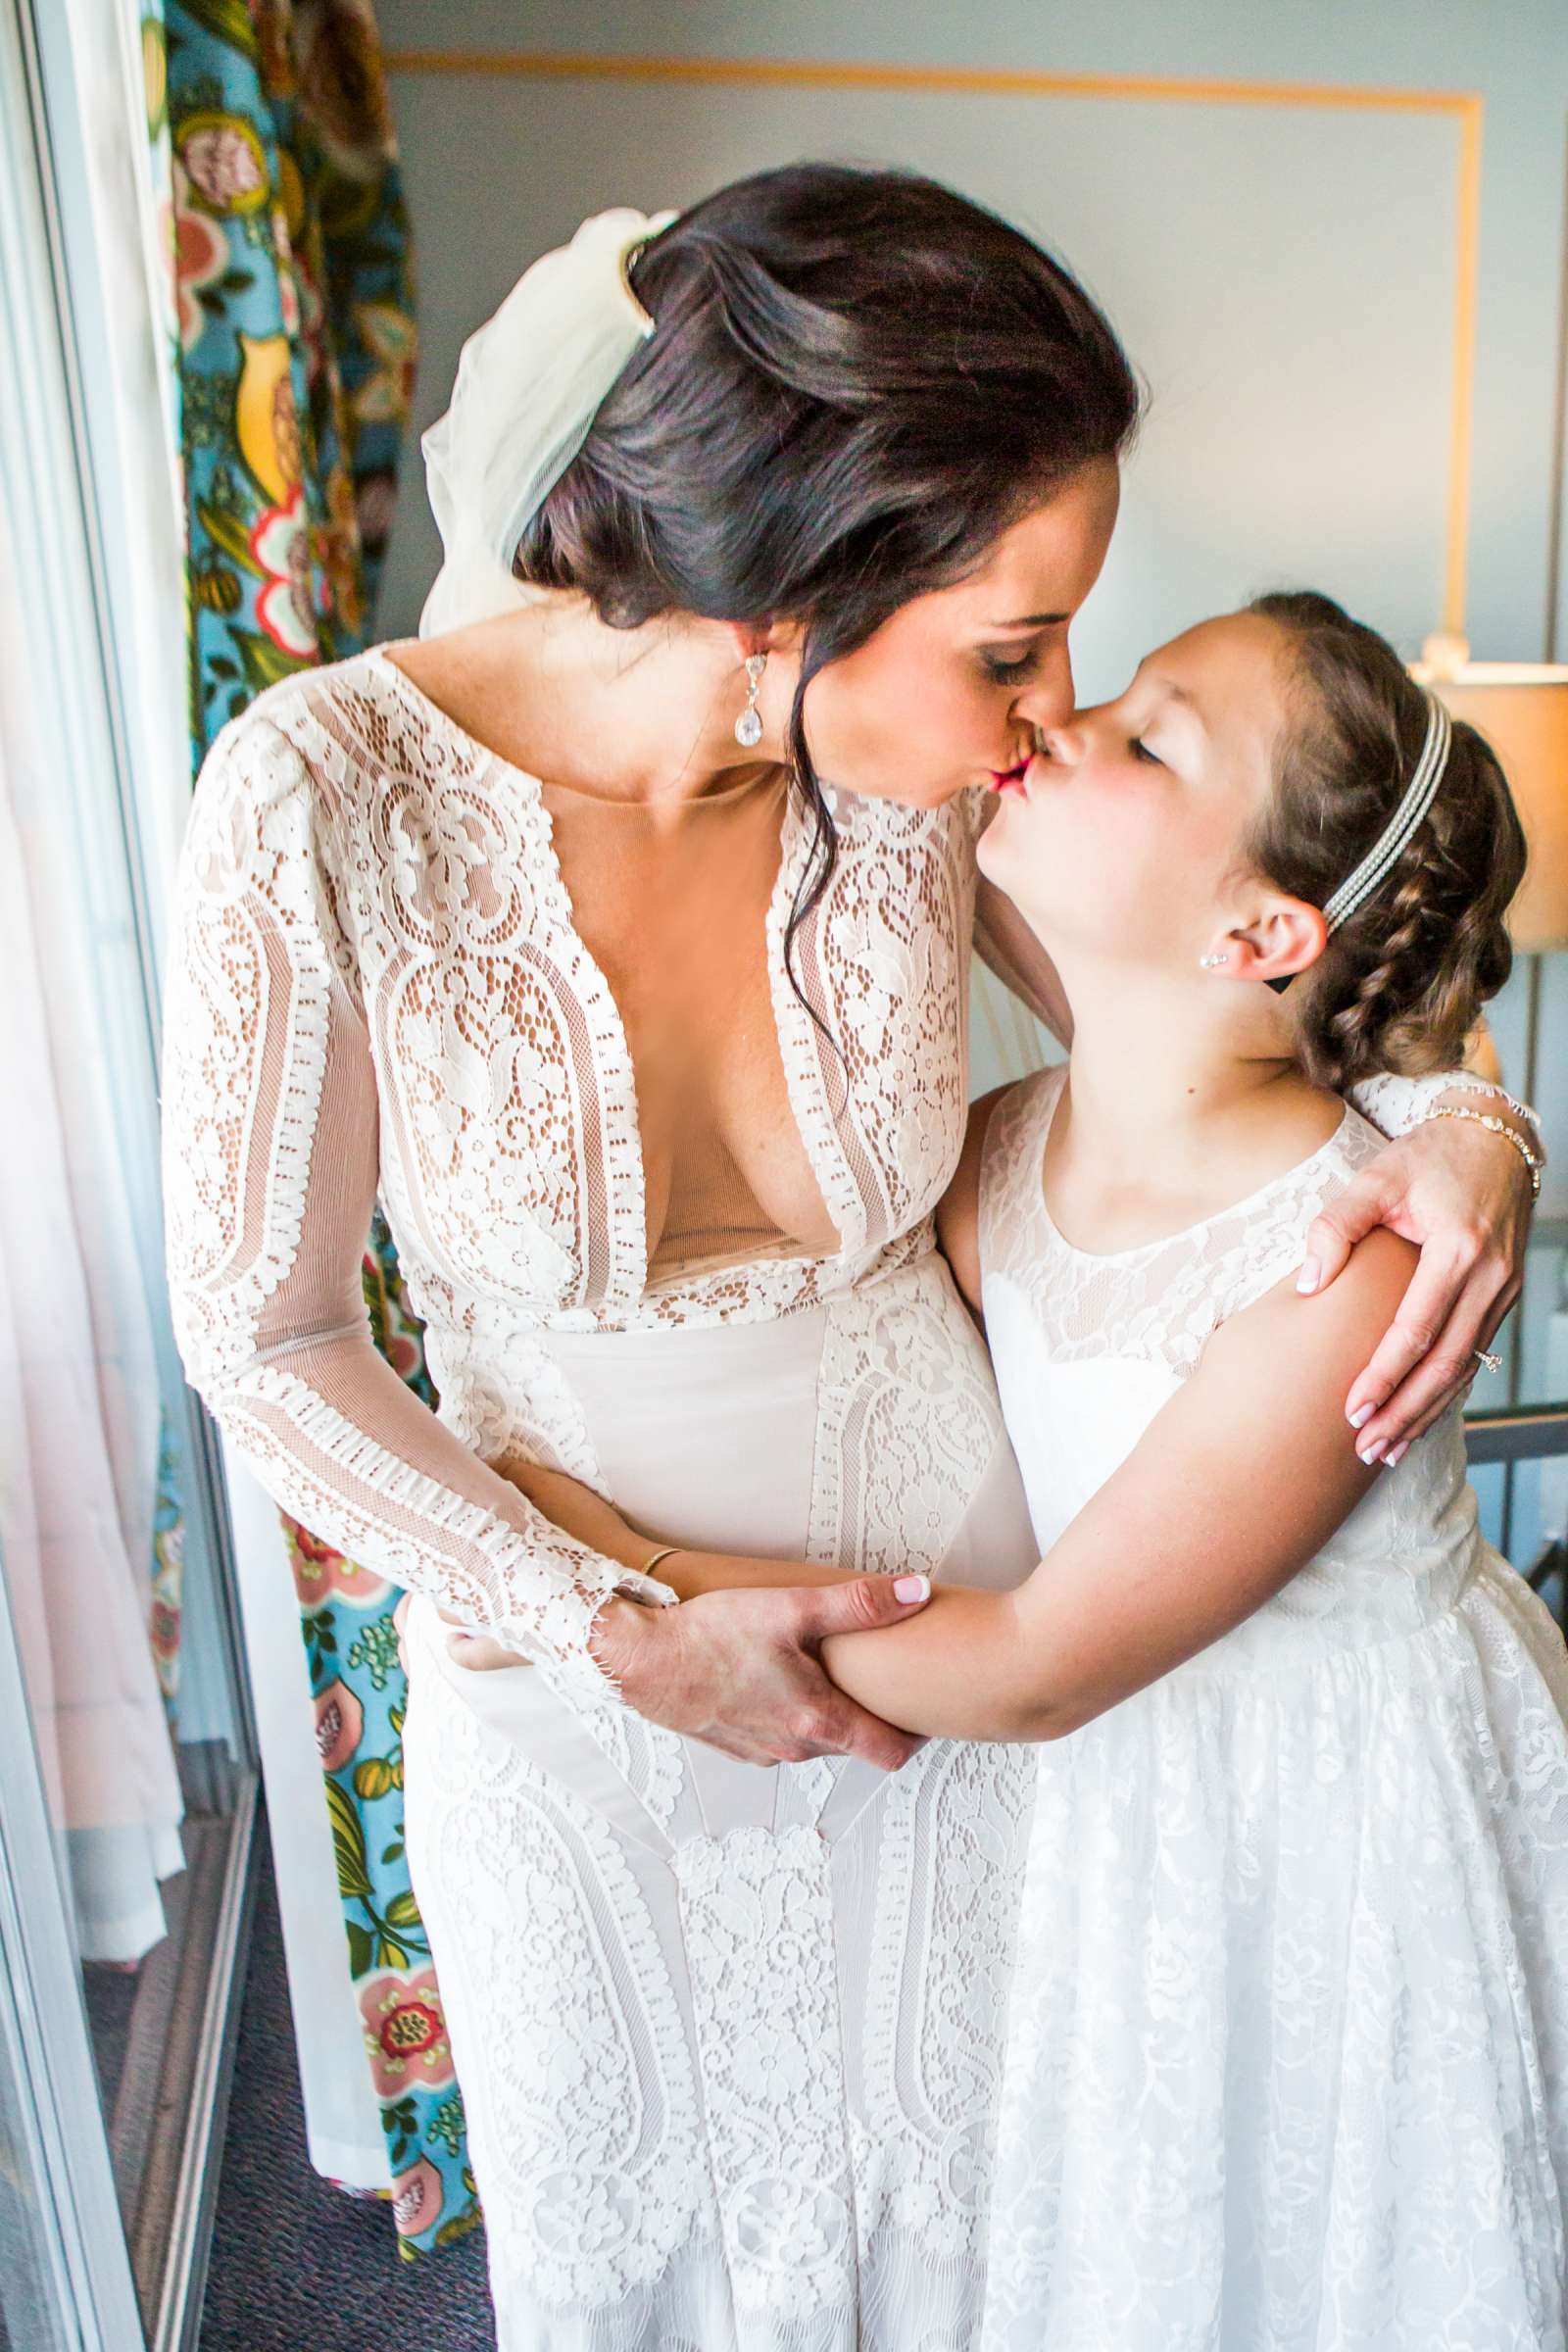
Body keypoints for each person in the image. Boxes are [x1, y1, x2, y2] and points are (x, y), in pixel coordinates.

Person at [161, 164, 1539, 2351]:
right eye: (1007, 644)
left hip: (977, 1735)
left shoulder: (909, 782)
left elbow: (1249, 994)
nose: (1035, 710)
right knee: (632, 2285)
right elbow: (266, 1336)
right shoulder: (323, 790)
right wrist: (610, 1625)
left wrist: (1474, 1120)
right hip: (571, 1728)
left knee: (1007, 2260)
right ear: (784, 596)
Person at [600, 592, 1563, 2346]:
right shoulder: (997, 1160)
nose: (1061, 722)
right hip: (1145, 1820)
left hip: (1331, 1835)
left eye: (1146, 736)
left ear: (1262, 930)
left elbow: (1038, 1669)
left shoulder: (1338, 1263)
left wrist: (634, 1600)